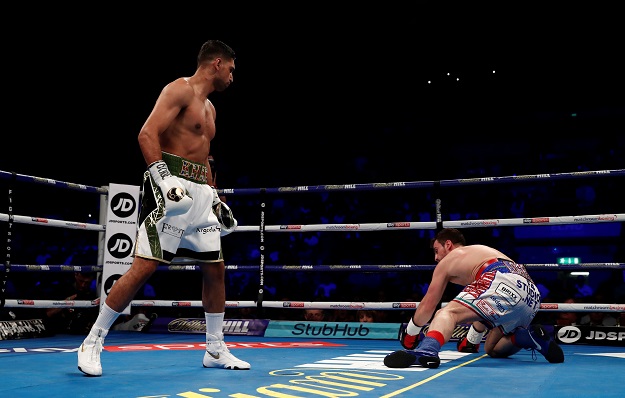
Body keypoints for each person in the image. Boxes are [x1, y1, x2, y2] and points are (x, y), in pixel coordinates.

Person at [77, 40, 250, 376]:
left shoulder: (211, 109)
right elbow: (146, 134)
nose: (232, 76)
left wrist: (215, 197)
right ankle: (92, 340)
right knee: (144, 266)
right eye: (231, 68)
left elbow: (205, 156)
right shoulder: (179, 90)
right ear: (217, 63)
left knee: (216, 269)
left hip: (200, 194)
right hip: (170, 187)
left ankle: (215, 348)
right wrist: (163, 178)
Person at [384, 228, 564, 369]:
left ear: (448, 244)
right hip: (530, 292)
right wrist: (472, 340)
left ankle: (427, 350)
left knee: (447, 313)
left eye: (437, 250)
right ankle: (526, 337)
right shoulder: (480, 253)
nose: (436, 258)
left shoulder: (452, 258)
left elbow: (428, 305)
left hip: (499, 278)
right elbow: (484, 312)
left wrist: (412, 332)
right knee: (492, 349)